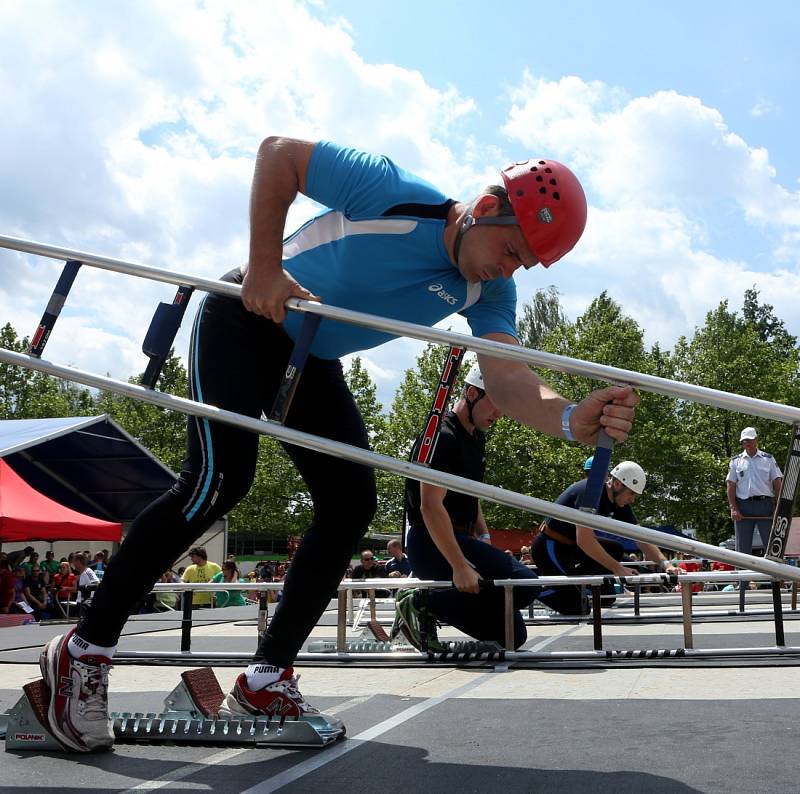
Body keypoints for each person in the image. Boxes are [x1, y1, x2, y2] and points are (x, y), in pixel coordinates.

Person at [39, 135, 637, 752]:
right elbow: (279, 155)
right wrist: (265, 266)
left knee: (351, 503)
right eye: (511, 252)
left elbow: (508, 378)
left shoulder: (490, 291)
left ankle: (265, 679)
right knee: (220, 481)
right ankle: (83, 651)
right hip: (246, 315)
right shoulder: (388, 190)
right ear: (486, 209)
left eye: (522, 267)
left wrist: (572, 420)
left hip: (311, 355)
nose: (507, 271)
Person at [399, 366, 546, 651]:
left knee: (512, 636)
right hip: (431, 542)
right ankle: (422, 602)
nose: (499, 415)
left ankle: (438, 603)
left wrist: (485, 537)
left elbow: (472, 495)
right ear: (472, 393)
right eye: (497, 405)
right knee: (527, 585)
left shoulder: (476, 437)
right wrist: (459, 565)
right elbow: (430, 507)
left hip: (463, 538)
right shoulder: (442, 436)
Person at [532, 462, 680, 614]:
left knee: (607, 593)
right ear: (617, 484)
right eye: (632, 494)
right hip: (549, 547)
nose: (633, 499)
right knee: (578, 608)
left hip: (572, 549)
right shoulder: (590, 493)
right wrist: (618, 568)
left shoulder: (619, 502)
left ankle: (573, 584)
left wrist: (666, 564)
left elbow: (641, 537)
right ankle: (533, 591)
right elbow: (585, 540)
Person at [726, 427, 783, 557]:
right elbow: (730, 485)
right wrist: (733, 508)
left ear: (756, 440)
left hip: (765, 505)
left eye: (750, 440)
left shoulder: (768, 459)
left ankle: (775, 577)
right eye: (744, 441)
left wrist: (779, 507)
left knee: (772, 546)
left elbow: (778, 483)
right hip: (743, 506)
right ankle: (743, 577)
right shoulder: (736, 461)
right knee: (742, 549)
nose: (747, 443)